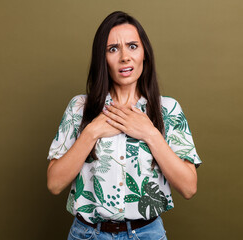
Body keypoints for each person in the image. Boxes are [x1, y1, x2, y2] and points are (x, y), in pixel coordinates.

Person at [46, 11, 202, 240]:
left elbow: (189, 188)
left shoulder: (167, 110)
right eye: (113, 49)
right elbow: (54, 183)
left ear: (144, 54)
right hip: (88, 234)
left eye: (132, 46)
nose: (124, 57)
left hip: (147, 234)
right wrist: (91, 132)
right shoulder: (80, 108)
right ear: (103, 58)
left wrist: (150, 133)